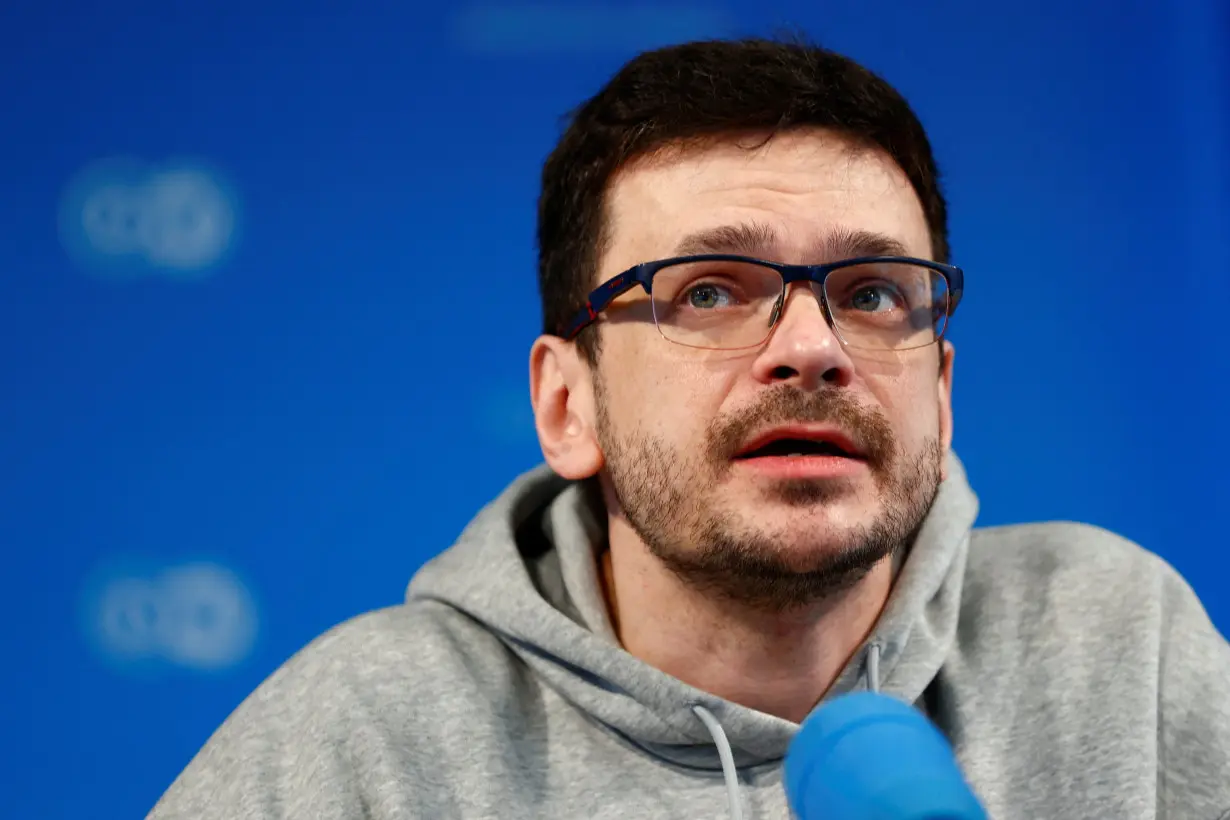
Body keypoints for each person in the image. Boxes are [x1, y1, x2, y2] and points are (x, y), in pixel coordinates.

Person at [149, 36, 1230, 820]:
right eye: (708, 291)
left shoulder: (1120, 643)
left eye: (871, 293)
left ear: (940, 396)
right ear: (568, 406)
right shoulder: (364, 738)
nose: (811, 345)